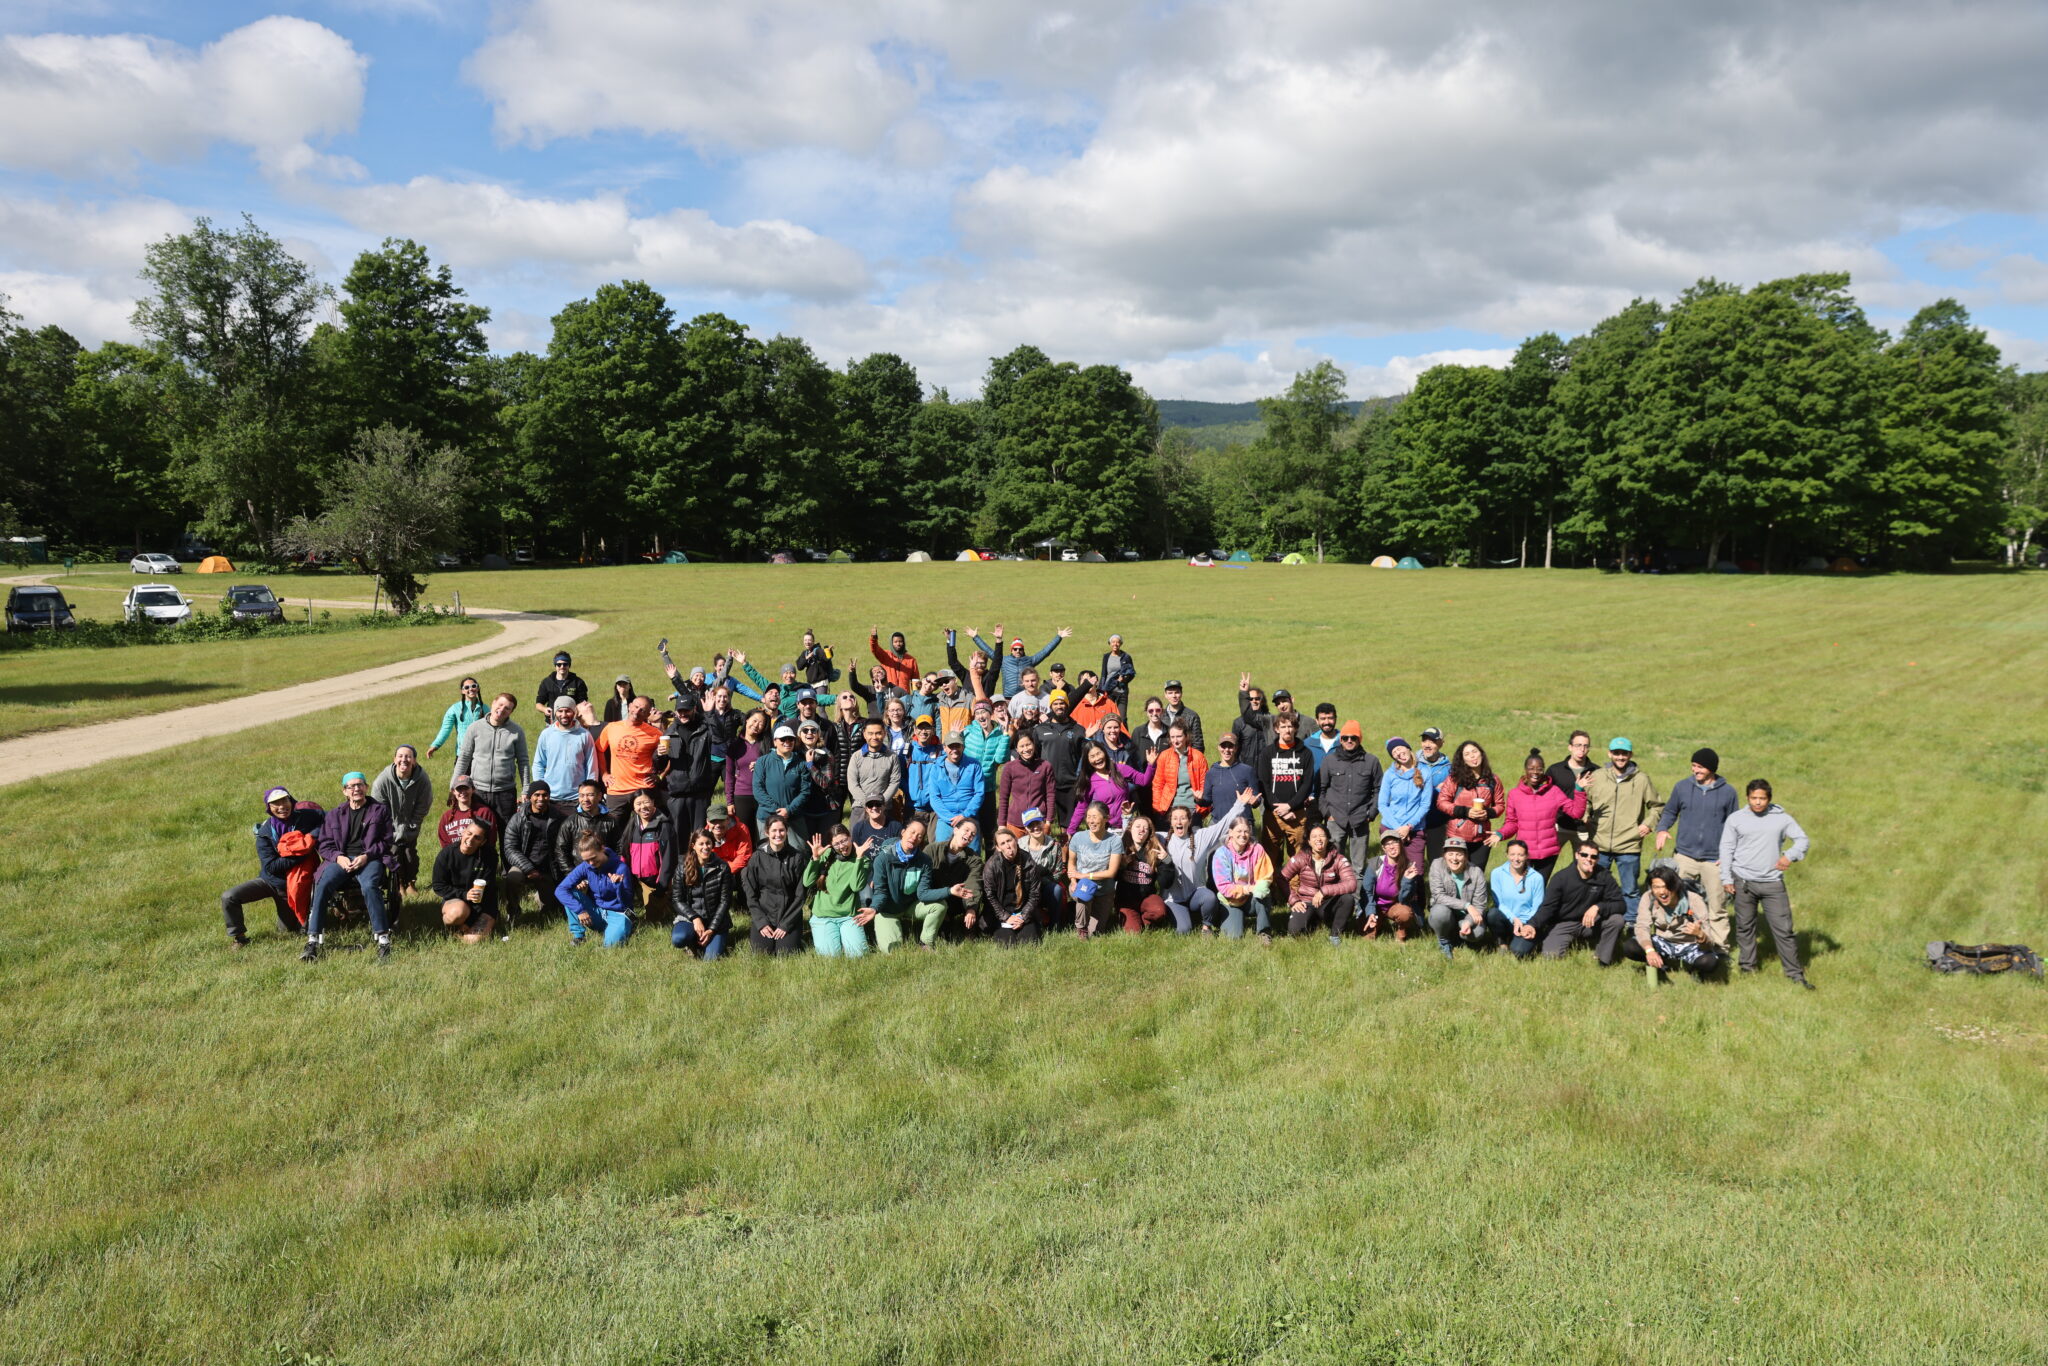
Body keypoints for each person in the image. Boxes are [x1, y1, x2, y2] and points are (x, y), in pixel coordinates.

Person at [1718, 779, 1813, 989]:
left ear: (1769, 799)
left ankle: (1795, 974)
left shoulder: (1782, 819)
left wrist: (1789, 856)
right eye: (1754, 798)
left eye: (1762, 798)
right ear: (1748, 797)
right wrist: (1726, 878)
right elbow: (1726, 849)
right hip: (1743, 882)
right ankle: (1747, 968)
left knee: (1784, 930)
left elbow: (1802, 840)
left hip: (1772, 884)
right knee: (1745, 927)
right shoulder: (1736, 819)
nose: (1758, 802)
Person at [304, 771, 394, 962]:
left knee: (370, 886)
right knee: (323, 884)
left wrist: (366, 856)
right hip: (342, 859)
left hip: (370, 858)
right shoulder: (335, 814)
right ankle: (313, 940)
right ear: (344, 791)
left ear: (366, 788)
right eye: (351, 786)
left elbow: (386, 841)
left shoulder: (380, 810)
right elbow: (324, 844)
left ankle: (383, 939)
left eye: (360, 785)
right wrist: (338, 857)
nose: (356, 789)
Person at [1654, 747, 1738, 948]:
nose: (1695, 770)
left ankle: (1719, 950)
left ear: (1711, 768)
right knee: (1678, 903)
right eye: (1693, 766)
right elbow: (1669, 812)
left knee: (1717, 908)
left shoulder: (1728, 792)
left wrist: (1729, 855)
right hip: (1684, 857)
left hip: (1714, 860)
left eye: (1699, 767)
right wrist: (1662, 829)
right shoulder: (1682, 787)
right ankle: (1681, 944)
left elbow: (1735, 825)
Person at [221, 785, 322, 946]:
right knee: (229, 897)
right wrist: (302, 853)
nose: (282, 807)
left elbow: (328, 819)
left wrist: (313, 835)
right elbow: (272, 867)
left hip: (291, 888)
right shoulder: (265, 833)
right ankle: (239, 938)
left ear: (291, 800)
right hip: (270, 882)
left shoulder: (306, 817)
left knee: (288, 930)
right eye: (276, 804)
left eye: (284, 800)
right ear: (269, 808)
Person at [1583, 737, 1663, 907]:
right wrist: (1585, 816)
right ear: (1609, 753)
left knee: (1630, 890)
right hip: (1599, 844)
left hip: (1629, 845)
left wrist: (1647, 824)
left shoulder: (1641, 779)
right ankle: (1597, 925)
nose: (1620, 757)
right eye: (1616, 753)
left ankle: (1633, 927)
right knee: (1595, 888)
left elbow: (1657, 806)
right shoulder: (1597, 776)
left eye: (1624, 753)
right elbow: (1585, 802)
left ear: (1630, 754)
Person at [861, 819, 953, 953]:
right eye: (912, 832)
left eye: (920, 836)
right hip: (887, 910)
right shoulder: (882, 859)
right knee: (893, 952)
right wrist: (874, 909)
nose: (914, 837)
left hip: (910, 906)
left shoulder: (925, 861)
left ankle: (926, 943)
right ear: (903, 832)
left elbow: (923, 893)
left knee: (939, 906)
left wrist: (950, 891)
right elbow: (880, 891)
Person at [1163, 795, 1247, 935]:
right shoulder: (1162, 839)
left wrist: (1239, 804)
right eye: (1175, 818)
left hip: (1196, 894)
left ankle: (1206, 927)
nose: (1179, 821)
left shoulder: (1200, 837)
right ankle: (1185, 916)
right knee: (1184, 930)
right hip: (1174, 899)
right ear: (1170, 822)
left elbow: (1222, 826)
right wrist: (1127, 817)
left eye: (1183, 818)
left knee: (1209, 897)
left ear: (1189, 821)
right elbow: (1140, 834)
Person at [1529, 843, 1627, 963]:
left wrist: (1598, 907)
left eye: (1593, 857)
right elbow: (1548, 907)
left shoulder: (1604, 876)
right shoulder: (1561, 878)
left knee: (1617, 920)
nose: (1588, 859)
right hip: (1564, 923)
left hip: (1591, 922)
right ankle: (1567, 940)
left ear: (1598, 859)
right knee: (1551, 957)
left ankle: (1603, 958)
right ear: (1577, 855)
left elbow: (1621, 905)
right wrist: (1532, 924)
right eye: (1584, 855)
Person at [1625, 865, 1728, 978]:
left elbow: (1709, 944)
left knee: (1709, 962)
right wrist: (1649, 950)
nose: (1662, 892)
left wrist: (1700, 935)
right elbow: (1642, 926)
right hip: (1663, 941)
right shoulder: (1648, 897)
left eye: (1666, 887)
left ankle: (1693, 971)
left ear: (1676, 886)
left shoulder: (1694, 900)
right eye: (1656, 887)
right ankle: (1661, 962)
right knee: (1631, 947)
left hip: (1691, 944)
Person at [1497, 749, 1585, 877]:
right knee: (1522, 887)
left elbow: (1576, 813)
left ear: (1543, 770)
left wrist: (1579, 789)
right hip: (1523, 853)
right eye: (1531, 768)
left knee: (1540, 888)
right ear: (1525, 770)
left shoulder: (1554, 791)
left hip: (1548, 853)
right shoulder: (1514, 794)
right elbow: (1512, 823)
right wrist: (1500, 834)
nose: (1535, 772)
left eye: (1539, 769)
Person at [454, 692, 529, 833]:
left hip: (505, 793)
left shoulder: (516, 731)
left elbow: (523, 761)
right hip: (478, 792)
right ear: (493, 703)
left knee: (507, 836)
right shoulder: (475, 728)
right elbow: (464, 758)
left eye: (507, 708)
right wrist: (454, 785)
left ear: (511, 712)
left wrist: (526, 789)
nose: (502, 710)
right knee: (479, 834)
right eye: (500, 704)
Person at [1315, 720, 1382, 871]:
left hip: (1360, 819)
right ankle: (1336, 894)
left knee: (1358, 868)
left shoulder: (1372, 761)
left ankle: (1357, 895)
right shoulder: (1329, 761)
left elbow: (1379, 790)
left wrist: (1371, 813)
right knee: (1332, 866)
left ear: (1360, 739)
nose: (1349, 740)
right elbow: (1321, 789)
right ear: (1340, 740)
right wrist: (1327, 814)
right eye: (1345, 737)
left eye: (1353, 737)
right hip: (1335, 819)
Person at [1435, 740, 1507, 870]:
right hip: (1457, 837)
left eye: (1475, 752)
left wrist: (1488, 813)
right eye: (1467, 754)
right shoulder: (1454, 779)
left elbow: (1500, 805)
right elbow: (1441, 802)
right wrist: (1465, 811)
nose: (1472, 756)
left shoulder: (1493, 780)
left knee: (1477, 876)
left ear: (1481, 754)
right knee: (1456, 875)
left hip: (1482, 838)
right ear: (1463, 760)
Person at [371, 743, 433, 896]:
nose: (404, 759)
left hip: (411, 824)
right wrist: (393, 830)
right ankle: (398, 883)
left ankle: (411, 883)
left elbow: (423, 805)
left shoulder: (422, 779)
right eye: (400, 756)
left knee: (410, 853)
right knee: (394, 853)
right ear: (394, 759)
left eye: (408, 756)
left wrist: (410, 827)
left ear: (414, 761)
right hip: (389, 827)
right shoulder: (382, 781)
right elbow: (379, 809)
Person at [1280, 823, 1358, 943]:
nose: (1319, 839)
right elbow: (1281, 878)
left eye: (1322, 836)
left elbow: (1352, 883)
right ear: (1309, 841)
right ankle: (1313, 921)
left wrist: (1324, 891)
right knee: (1294, 931)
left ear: (1328, 838)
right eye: (1314, 837)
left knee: (1348, 899)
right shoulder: (1301, 857)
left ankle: (1335, 935)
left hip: (1328, 903)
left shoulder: (1338, 858)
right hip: (1306, 902)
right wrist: (1293, 900)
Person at [502, 781, 565, 930]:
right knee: (512, 878)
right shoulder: (518, 818)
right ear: (530, 797)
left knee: (550, 912)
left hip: (548, 868)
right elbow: (510, 848)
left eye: (545, 795)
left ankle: (542, 900)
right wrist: (529, 869)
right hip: (523, 866)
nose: (541, 799)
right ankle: (513, 910)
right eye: (536, 795)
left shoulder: (558, 818)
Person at [655, 691, 717, 838]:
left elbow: (719, 736)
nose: (683, 714)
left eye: (686, 711)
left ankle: (700, 861)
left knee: (700, 836)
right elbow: (659, 766)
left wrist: (710, 714)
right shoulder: (670, 733)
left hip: (700, 793)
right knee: (678, 837)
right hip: (677, 793)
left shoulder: (704, 729)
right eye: (680, 711)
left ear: (694, 709)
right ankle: (680, 862)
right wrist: (659, 755)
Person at [555, 831, 634, 947]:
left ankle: (618, 930)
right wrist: (580, 910)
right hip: (596, 912)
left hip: (619, 914)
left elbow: (626, 902)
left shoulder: (620, 868)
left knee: (611, 946)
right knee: (570, 892)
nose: (591, 863)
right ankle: (579, 937)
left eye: (593, 858)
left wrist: (618, 885)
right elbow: (560, 890)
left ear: (602, 849)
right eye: (586, 860)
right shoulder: (586, 866)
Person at [744, 815, 809, 956]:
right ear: (767, 832)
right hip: (764, 913)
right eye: (774, 831)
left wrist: (785, 924)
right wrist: (761, 922)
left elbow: (800, 895)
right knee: (761, 953)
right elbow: (750, 893)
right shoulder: (757, 857)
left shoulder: (797, 858)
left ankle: (797, 937)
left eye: (781, 830)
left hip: (788, 915)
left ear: (787, 831)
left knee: (785, 953)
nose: (778, 834)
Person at [805, 826, 873, 957]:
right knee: (830, 957)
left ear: (850, 837)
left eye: (844, 841)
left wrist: (858, 859)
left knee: (858, 956)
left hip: (848, 916)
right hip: (823, 916)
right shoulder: (826, 855)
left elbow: (856, 887)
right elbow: (807, 882)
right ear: (831, 845)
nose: (842, 846)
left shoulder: (863, 860)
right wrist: (815, 858)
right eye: (836, 844)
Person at [1256, 712, 1315, 862]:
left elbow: (1307, 784)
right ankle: (1273, 886)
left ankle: (1294, 887)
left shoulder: (1305, 753)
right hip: (1272, 814)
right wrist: (1279, 810)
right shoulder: (1267, 753)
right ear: (1276, 729)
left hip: (1297, 814)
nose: (1287, 730)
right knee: (1269, 857)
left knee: (1298, 858)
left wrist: (1290, 806)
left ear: (1295, 728)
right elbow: (1264, 783)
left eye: (1290, 726)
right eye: (1283, 726)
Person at [431, 818, 500, 943]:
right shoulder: (447, 854)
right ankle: (454, 926)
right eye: (469, 833)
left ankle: (464, 930)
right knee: (457, 913)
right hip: (457, 900)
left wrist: (471, 920)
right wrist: (464, 895)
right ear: (463, 832)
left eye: (477, 838)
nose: (470, 839)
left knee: (472, 941)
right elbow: (438, 886)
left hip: (484, 904)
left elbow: (489, 889)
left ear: (483, 842)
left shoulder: (490, 856)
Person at [1210, 815, 1275, 943]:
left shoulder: (1257, 849)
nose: (1243, 835)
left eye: (1246, 831)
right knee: (1234, 937)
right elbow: (1223, 886)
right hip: (1230, 900)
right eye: (1239, 831)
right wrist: (1246, 888)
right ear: (1230, 833)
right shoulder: (1221, 853)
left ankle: (1264, 933)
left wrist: (1260, 887)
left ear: (1250, 832)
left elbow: (1265, 874)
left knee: (1264, 894)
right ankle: (1225, 918)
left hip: (1252, 898)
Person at [595, 694, 663, 817]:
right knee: (613, 830)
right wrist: (604, 774)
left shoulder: (655, 734)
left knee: (647, 829)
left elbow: (669, 757)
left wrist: (660, 776)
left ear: (648, 715)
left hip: (643, 789)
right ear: (630, 706)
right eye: (636, 707)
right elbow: (599, 749)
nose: (637, 712)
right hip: (617, 789)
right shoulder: (611, 728)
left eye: (642, 710)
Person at [672, 828, 733, 958]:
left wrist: (711, 929)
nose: (705, 847)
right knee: (678, 939)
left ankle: (708, 940)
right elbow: (677, 900)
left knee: (710, 958)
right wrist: (695, 918)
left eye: (708, 843)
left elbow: (725, 901)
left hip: (716, 921)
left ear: (713, 844)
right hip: (690, 918)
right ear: (693, 846)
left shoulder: (723, 868)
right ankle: (692, 942)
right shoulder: (682, 867)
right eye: (701, 844)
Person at [1426, 836, 1491, 958]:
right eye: (1450, 854)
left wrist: (1468, 922)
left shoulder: (1476, 872)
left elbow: (1480, 906)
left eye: (1459, 854)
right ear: (1444, 855)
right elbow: (1438, 895)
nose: (1454, 858)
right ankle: (1444, 940)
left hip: (1465, 916)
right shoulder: (1436, 865)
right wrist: (1466, 905)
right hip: (1446, 912)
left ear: (1466, 856)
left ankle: (1460, 936)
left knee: (1477, 933)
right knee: (1440, 913)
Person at [1065, 801, 1123, 938]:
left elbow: (1111, 872)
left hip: (1104, 890)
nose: (1091, 821)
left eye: (1095, 817)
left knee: (1096, 932)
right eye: (1089, 817)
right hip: (1082, 886)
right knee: (1084, 889)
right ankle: (1080, 928)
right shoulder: (1078, 837)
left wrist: (1084, 875)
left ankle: (1080, 916)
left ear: (1106, 818)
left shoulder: (1114, 841)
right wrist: (1074, 881)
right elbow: (1071, 863)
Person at [532, 693, 597, 813]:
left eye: (568, 711)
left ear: (574, 712)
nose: (563, 715)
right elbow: (538, 763)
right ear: (555, 713)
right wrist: (541, 788)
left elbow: (591, 767)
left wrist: (587, 794)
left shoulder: (584, 735)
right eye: (560, 711)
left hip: (576, 799)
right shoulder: (546, 734)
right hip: (551, 798)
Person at [1069, 739, 1149, 834]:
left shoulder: (1120, 769)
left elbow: (1144, 781)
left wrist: (1151, 765)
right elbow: (1081, 808)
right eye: (1092, 756)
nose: (1097, 758)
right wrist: (1071, 830)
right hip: (1104, 829)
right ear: (1088, 760)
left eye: (1099, 753)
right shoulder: (1089, 781)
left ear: (1104, 752)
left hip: (1125, 824)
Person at [980, 825, 1043, 945]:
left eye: (1009, 840)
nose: (1007, 845)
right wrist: (1006, 917)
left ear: (1016, 840)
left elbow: (1035, 894)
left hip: (1023, 911)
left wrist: (1023, 917)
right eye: (1002, 843)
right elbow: (989, 896)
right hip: (1002, 913)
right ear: (998, 848)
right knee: (1007, 944)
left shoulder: (1028, 862)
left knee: (1030, 942)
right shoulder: (992, 865)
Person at [1032, 691, 1086, 828]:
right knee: (1042, 824)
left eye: (1062, 703)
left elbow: (1083, 758)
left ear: (1067, 705)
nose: (1059, 706)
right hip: (1046, 783)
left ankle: (1066, 848)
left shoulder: (1079, 730)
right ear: (1051, 706)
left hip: (1070, 783)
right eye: (1055, 703)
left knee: (1067, 827)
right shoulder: (1040, 730)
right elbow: (1035, 755)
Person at [926, 727, 988, 847]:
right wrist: (950, 818)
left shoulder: (974, 765)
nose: (954, 750)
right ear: (944, 748)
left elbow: (979, 793)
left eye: (957, 746)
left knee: (972, 856)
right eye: (951, 746)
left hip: (969, 817)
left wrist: (965, 814)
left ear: (963, 747)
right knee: (941, 853)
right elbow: (934, 797)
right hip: (946, 819)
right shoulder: (936, 768)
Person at [621, 790, 677, 919]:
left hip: (656, 882)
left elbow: (668, 859)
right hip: (637, 880)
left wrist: (662, 884)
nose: (643, 807)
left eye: (646, 802)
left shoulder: (664, 825)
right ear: (634, 807)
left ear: (653, 802)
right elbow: (624, 850)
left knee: (655, 920)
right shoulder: (632, 824)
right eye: (638, 804)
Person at [969, 623, 1069, 696]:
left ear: (1023, 649)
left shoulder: (1030, 661)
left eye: (1020, 649)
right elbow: (988, 650)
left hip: (1025, 696)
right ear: (1011, 650)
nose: (1018, 651)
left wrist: (1059, 637)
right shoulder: (1003, 660)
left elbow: (1045, 651)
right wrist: (975, 637)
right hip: (1008, 697)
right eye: (1015, 649)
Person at [1378, 738, 1432, 872]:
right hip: (1391, 828)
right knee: (1392, 872)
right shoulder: (1390, 774)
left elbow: (1425, 804)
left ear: (1408, 748)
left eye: (1400, 748)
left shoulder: (1425, 771)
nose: (1398, 753)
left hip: (1415, 831)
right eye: (1394, 752)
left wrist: (1408, 826)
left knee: (1416, 872)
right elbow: (1382, 804)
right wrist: (1398, 829)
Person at [1485, 839, 1545, 958]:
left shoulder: (1536, 878)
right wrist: (1514, 919)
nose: (1516, 859)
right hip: (1507, 919)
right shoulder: (1497, 873)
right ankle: (1501, 941)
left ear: (1527, 856)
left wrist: (1526, 924)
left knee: (1518, 952)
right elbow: (1499, 903)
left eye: (1521, 855)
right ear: (1507, 854)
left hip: (1527, 923)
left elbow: (1537, 907)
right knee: (1492, 914)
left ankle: (1520, 940)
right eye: (1512, 854)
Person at [1112, 814, 1171, 933]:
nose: (1141, 830)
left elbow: (1166, 883)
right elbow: (1113, 877)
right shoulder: (1121, 848)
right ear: (1130, 830)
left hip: (1147, 897)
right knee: (1134, 932)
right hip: (1126, 900)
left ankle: (1146, 920)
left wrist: (1166, 861)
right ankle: (1131, 919)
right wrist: (1123, 864)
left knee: (1159, 911)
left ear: (1149, 833)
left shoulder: (1154, 851)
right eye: (1137, 826)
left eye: (1145, 828)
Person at [927, 817, 985, 938]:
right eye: (966, 830)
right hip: (937, 898)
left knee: (973, 932)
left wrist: (971, 908)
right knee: (943, 936)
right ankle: (944, 919)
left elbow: (973, 883)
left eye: (973, 834)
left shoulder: (974, 859)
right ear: (955, 830)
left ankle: (969, 926)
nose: (969, 835)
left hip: (960, 899)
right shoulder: (932, 850)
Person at [1359, 832, 1423, 941]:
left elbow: (1405, 900)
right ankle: (1376, 923)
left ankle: (1401, 931)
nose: (1392, 846)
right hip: (1376, 905)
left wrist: (1407, 880)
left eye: (1395, 842)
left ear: (1401, 844)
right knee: (1366, 934)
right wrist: (1370, 912)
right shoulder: (1375, 864)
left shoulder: (1409, 866)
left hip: (1395, 905)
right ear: (1383, 848)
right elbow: (1367, 892)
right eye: (1387, 844)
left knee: (1405, 913)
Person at [1546, 730, 1600, 852]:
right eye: (1578, 745)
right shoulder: (1555, 770)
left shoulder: (1597, 772)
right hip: (1558, 826)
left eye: (1585, 746)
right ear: (1570, 747)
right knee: (1545, 863)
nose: (1582, 749)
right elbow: (1545, 797)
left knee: (1584, 867)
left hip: (1584, 829)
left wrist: (1591, 818)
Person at [997, 730, 1057, 831]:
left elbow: (1050, 795)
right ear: (1016, 748)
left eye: (1028, 745)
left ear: (1033, 744)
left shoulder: (1045, 766)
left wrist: (1048, 821)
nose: (1026, 749)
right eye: (1022, 746)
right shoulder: (1009, 768)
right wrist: (1002, 824)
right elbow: (1003, 798)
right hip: (1015, 822)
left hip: (1038, 822)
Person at [1148, 721, 1208, 822]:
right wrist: (1159, 808)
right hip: (1170, 807)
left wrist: (1202, 807)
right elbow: (1158, 784)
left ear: (1186, 737)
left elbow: (1205, 784)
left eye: (1179, 736)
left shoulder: (1198, 757)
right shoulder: (1164, 756)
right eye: (1172, 737)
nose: (1175, 740)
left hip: (1192, 808)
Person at [1017, 808, 1066, 928]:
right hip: (1024, 889)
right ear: (1025, 828)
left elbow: (1058, 872)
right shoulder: (1019, 845)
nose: (1035, 828)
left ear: (1043, 823)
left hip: (1046, 887)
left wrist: (1039, 882)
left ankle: (1055, 925)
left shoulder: (1054, 845)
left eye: (1038, 823)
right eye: (1031, 825)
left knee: (1057, 890)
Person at [554, 779, 615, 872]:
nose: (585, 799)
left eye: (590, 795)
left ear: (599, 796)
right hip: (579, 874)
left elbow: (619, 848)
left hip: (606, 872)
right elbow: (561, 851)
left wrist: (615, 869)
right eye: (582, 795)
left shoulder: (611, 821)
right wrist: (571, 874)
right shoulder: (570, 822)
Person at [725, 710, 771, 831]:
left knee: (762, 833)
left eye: (761, 723)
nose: (756, 725)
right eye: (754, 720)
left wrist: (761, 765)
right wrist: (729, 802)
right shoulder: (734, 745)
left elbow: (774, 767)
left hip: (763, 796)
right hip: (742, 795)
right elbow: (729, 776)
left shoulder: (766, 745)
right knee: (744, 833)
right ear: (747, 720)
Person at [847, 721, 902, 817]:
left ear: (884, 734)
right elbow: (852, 784)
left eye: (878, 733)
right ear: (864, 734)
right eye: (870, 733)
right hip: (860, 807)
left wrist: (880, 803)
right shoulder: (856, 757)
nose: (874, 737)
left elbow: (894, 782)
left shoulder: (892, 757)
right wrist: (867, 803)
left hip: (884, 808)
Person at [1200, 733, 1260, 823]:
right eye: (1223, 746)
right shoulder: (1211, 773)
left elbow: (1256, 797)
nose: (1227, 750)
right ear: (1219, 748)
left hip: (1242, 824)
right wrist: (1198, 800)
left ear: (1236, 748)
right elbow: (1207, 801)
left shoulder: (1247, 770)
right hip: (1218, 824)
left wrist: (1255, 801)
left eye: (1230, 746)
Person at [1415, 727, 1452, 861]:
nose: (1427, 745)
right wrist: (1436, 789)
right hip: (1414, 821)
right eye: (1425, 740)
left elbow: (1452, 795)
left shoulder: (1448, 768)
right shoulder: (1412, 763)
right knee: (1412, 862)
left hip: (1437, 822)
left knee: (1436, 861)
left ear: (1442, 743)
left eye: (1432, 741)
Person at [428, 676, 487, 758]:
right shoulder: (455, 709)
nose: (471, 689)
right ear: (462, 691)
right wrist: (435, 745)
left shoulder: (485, 709)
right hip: (462, 754)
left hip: (482, 754)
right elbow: (445, 729)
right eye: (466, 687)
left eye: (473, 686)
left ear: (478, 688)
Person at [903, 716, 946, 825]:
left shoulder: (940, 751)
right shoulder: (908, 751)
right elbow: (899, 776)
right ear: (915, 730)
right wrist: (910, 791)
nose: (923, 732)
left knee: (934, 841)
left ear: (933, 730)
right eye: (920, 728)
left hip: (935, 807)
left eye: (927, 728)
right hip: (913, 806)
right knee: (912, 840)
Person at [438, 774, 501, 848]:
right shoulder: (446, 817)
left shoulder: (484, 813)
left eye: (466, 788)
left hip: (478, 857)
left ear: (473, 789)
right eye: (459, 789)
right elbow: (445, 845)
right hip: (454, 857)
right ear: (453, 791)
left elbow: (490, 840)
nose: (463, 792)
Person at [535, 651, 590, 725]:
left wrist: (575, 712)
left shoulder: (578, 682)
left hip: (573, 722)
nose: (562, 667)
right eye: (559, 664)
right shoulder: (547, 682)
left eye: (565, 664)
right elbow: (538, 704)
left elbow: (583, 704)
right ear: (555, 665)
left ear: (569, 665)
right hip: (552, 723)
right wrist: (544, 709)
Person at [705, 802, 755, 877]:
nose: (717, 825)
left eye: (721, 820)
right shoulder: (704, 837)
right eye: (713, 821)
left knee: (747, 872)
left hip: (738, 868)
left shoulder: (741, 829)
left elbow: (744, 856)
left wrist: (727, 871)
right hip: (716, 871)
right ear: (708, 822)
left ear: (728, 819)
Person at [868, 627, 920, 691]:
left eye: (900, 641)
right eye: (895, 642)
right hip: (888, 694)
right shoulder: (886, 656)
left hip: (904, 696)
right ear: (891, 643)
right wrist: (874, 638)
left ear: (904, 643)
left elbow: (915, 680)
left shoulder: (911, 660)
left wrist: (916, 696)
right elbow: (875, 649)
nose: (898, 644)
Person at [1160, 679, 1204, 752]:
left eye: (1177, 692)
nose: (1174, 696)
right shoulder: (1160, 715)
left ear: (1181, 693)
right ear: (1165, 695)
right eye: (1170, 693)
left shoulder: (1192, 716)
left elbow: (1198, 745)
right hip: (1165, 759)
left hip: (1185, 759)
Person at [1098, 633, 1136, 713]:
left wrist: (1124, 680)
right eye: (1113, 642)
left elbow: (1132, 673)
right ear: (1110, 643)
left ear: (1120, 644)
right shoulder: (1106, 657)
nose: (1115, 644)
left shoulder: (1126, 657)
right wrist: (1100, 690)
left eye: (1117, 642)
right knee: (1107, 715)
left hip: (1122, 691)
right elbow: (1103, 675)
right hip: (1109, 691)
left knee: (1122, 718)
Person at [1305, 703, 1342, 771]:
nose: (1326, 722)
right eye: (1323, 718)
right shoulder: (1307, 744)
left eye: (1330, 718)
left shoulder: (1346, 741)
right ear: (1317, 721)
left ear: (1335, 719)